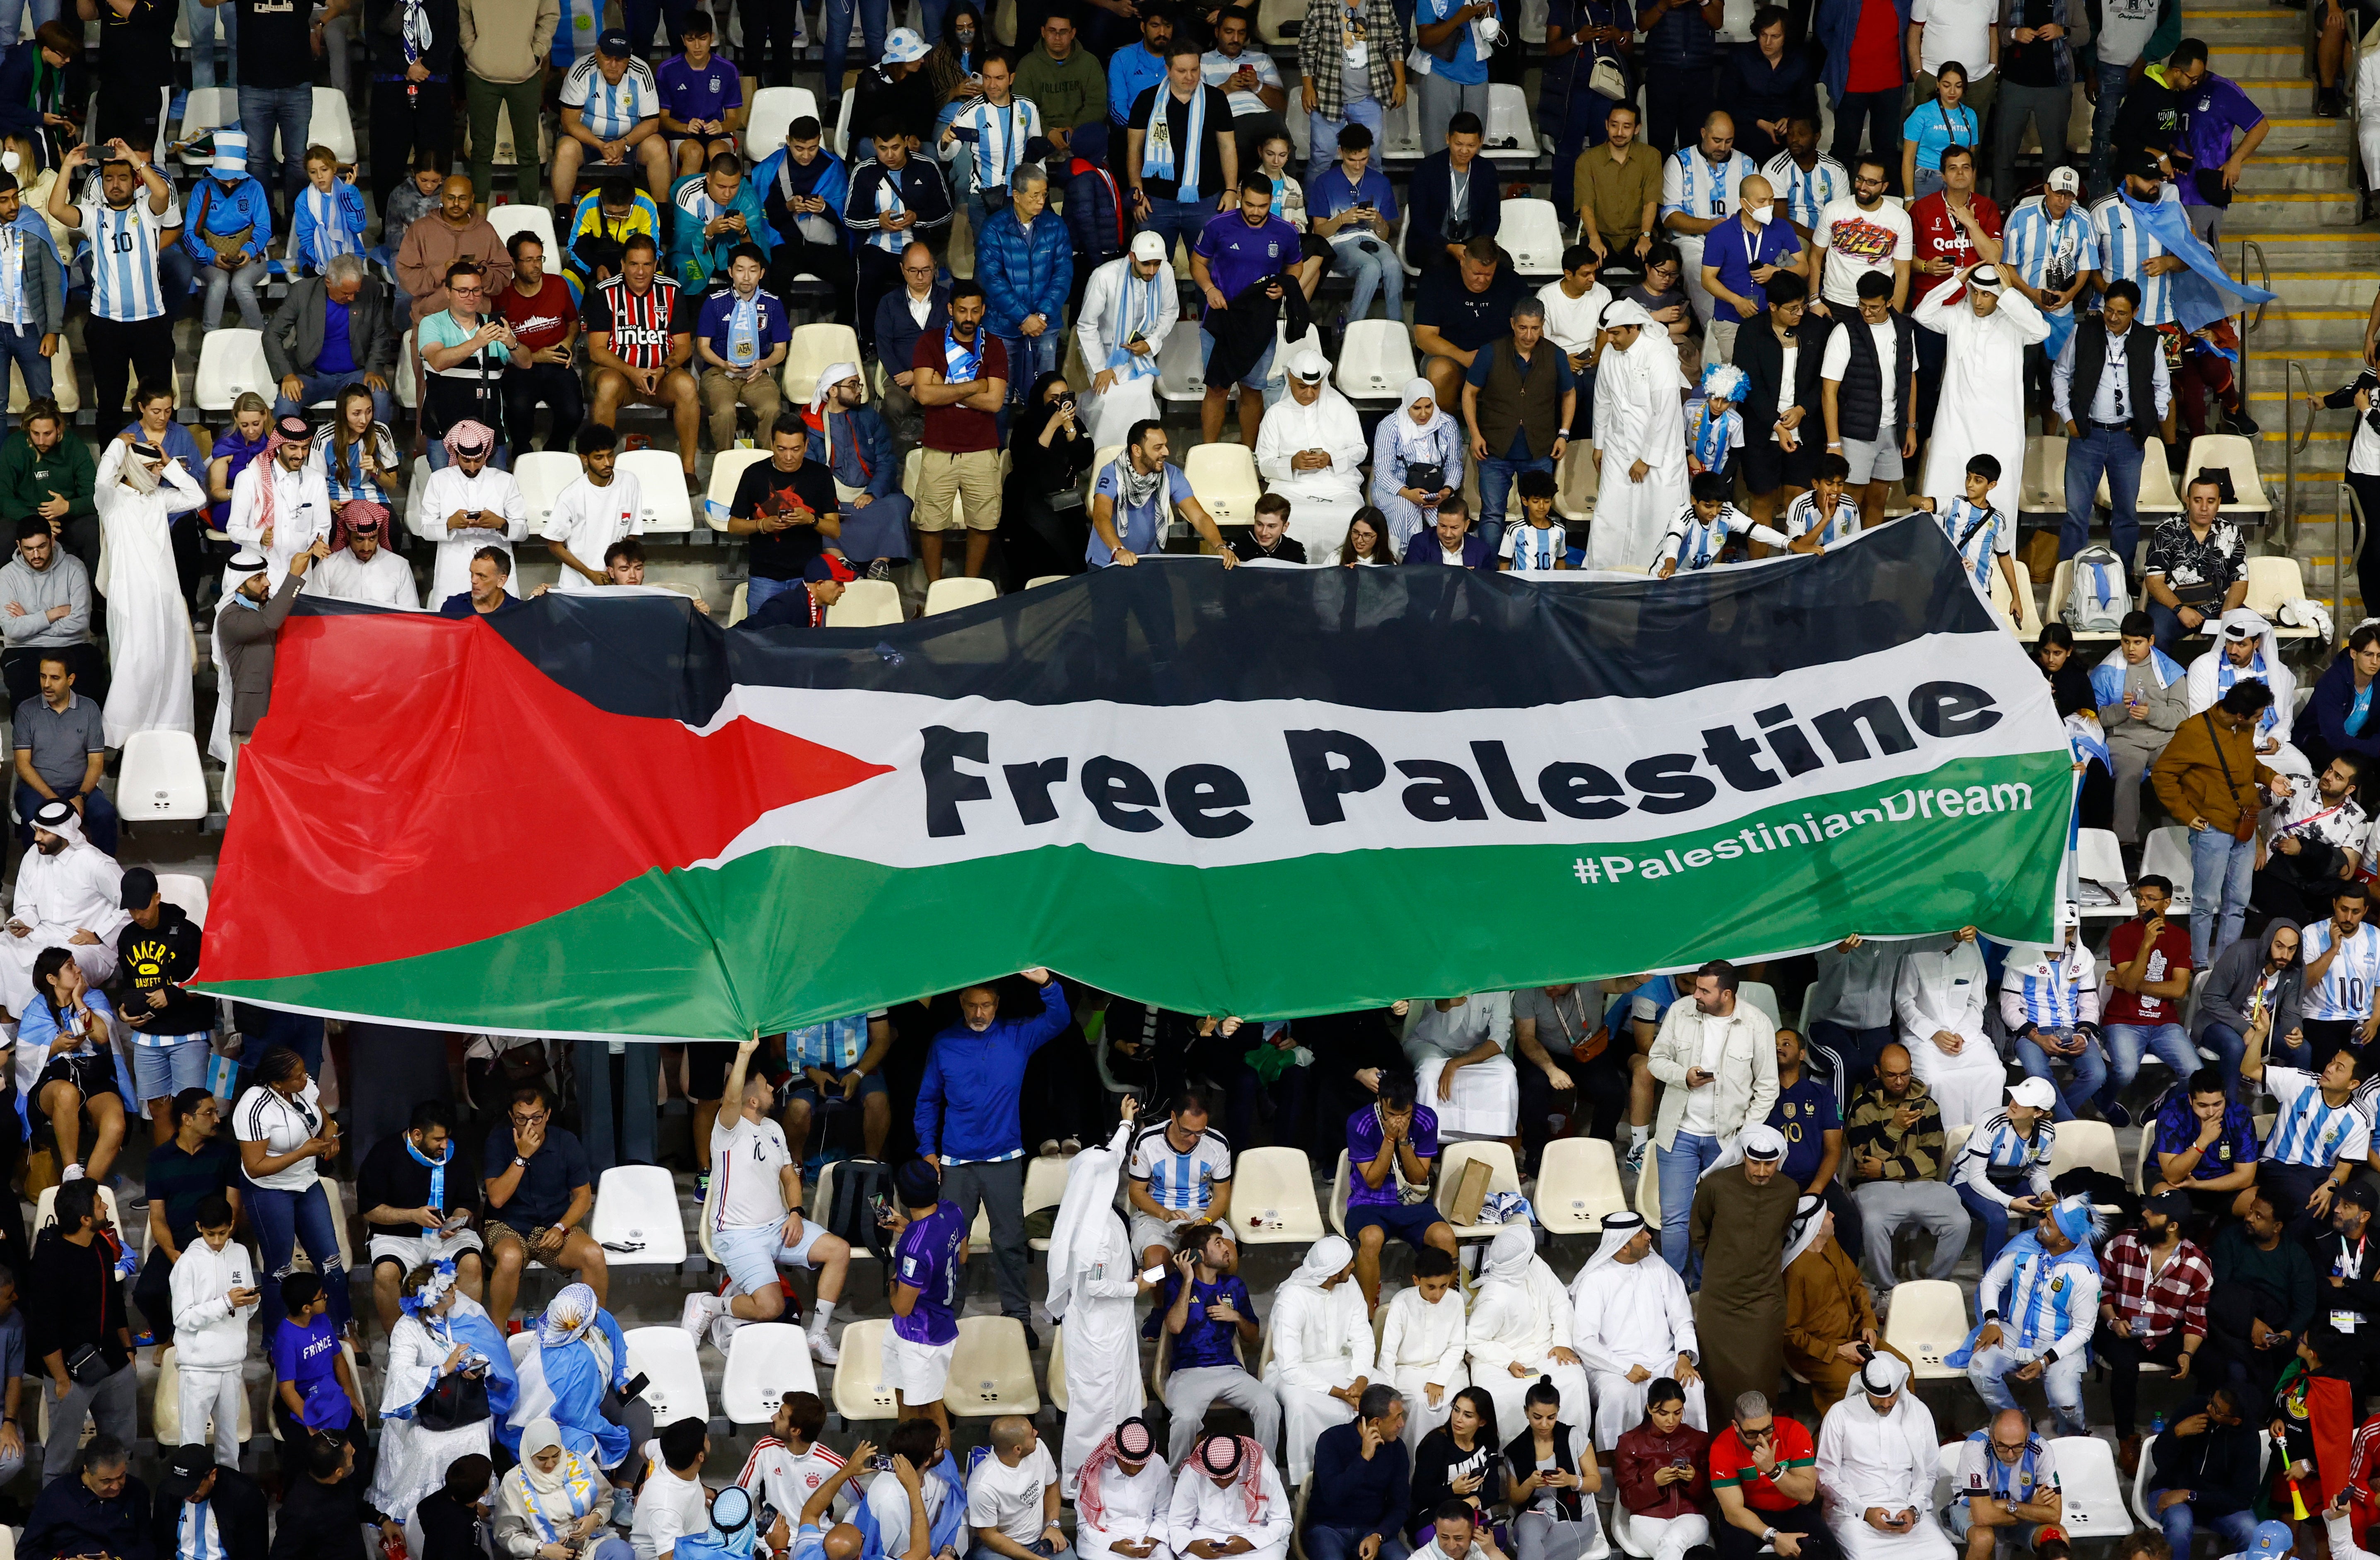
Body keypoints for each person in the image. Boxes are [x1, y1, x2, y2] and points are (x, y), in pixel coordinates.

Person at [913, 971, 1067, 1343]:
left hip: (1004, 1159)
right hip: (957, 1162)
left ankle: (1018, 1318)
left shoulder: (1017, 1034)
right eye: (971, 1005)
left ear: (997, 1004)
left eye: (986, 1005)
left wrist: (1047, 983)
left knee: (1011, 1243)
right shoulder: (945, 1042)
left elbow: (1059, 1019)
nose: (979, 1012)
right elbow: (928, 1101)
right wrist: (927, 1151)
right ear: (961, 1004)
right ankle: (946, 1315)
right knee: (950, 1243)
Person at [682, 1036, 850, 1362]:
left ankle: (817, 1335)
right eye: (766, 1087)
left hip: (779, 1227)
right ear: (752, 1102)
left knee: (839, 1250)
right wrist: (744, 1052)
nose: (773, 1089)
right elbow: (731, 1097)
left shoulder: (774, 1128)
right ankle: (707, 1305)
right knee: (770, 1307)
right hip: (738, 1234)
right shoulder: (728, 1129)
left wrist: (797, 1213)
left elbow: (789, 1177)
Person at [1649, 961, 1779, 1276]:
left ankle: (1707, 1288)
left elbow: (1767, 1087)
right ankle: (1674, 1289)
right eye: (1696, 987)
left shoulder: (1756, 1024)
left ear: (1727, 994)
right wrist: (1684, 1076)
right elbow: (1656, 1061)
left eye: (1704, 991)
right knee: (1674, 1220)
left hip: (1727, 1139)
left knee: (1718, 1220)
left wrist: (1745, 1137)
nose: (1696, 994)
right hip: (1678, 1132)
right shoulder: (1680, 1012)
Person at [2156, 682, 2288, 964]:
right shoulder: (2193, 731)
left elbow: (2248, 765)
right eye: (2258, 716)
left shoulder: (2244, 728)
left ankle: (2228, 965)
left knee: (2238, 903)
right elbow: (2162, 775)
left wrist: (2270, 777)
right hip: (2212, 829)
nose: (2261, 721)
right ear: (2240, 715)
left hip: (2246, 823)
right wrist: (2187, 813)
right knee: (2205, 902)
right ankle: (2200, 964)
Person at [372, 1263, 514, 1525]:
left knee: (478, 1431)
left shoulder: (459, 1314)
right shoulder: (406, 1329)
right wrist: (444, 1369)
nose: (457, 1289)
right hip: (419, 1412)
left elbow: (480, 1349)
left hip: (456, 1403)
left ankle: (475, 1500)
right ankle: (430, 1508)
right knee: (430, 1447)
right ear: (433, 1295)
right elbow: (401, 1375)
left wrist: (473, 1368)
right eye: (450, 1287)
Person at [45, 142, 174, 427]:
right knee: (110, 404)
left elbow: (163, 192)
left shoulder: (148, 211)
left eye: (123, 178)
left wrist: (133, 159)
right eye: (108, 178)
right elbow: (56, 208)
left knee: (158, 404)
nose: (115, 185)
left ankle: (157, 466)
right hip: (106, 325)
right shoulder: (94, 215)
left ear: (134, 182)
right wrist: (67, 165)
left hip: (150, 323)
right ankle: (111, 469)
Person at [1953, 1197, 2104, 1435]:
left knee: (2066, 1401)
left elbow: (2084, 1330)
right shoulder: (2025, 1247)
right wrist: (1992, 1321)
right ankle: (2017, 1424)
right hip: (2014, 1332)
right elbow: (1992, 1281)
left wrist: (2045, 1360)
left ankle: (2073, 1436)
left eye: (2049, 1222)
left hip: (2060, 1342)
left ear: (2064, 1240)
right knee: (1980, 1368)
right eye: (2046, 1216)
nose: (2041, 1222)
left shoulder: (2085, 1275)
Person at [2054, 275, 2170, 568]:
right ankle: (2069, 576)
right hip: (2086, 434)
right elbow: (2060, 375)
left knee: (2126, 515)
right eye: (2109, 310)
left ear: (2135, 312)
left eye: (2121, 313)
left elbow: (2162, 388)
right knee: (2076, 514)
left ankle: (2124, 576)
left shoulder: (2150, 340)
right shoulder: (2083, 332)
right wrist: (2068, 418)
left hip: (2127, 439)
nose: (2113, 318)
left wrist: (2147, 423)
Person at [1564, 1213, 1702, 1454]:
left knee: (1691, 1385)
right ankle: (1615, 1470)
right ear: (1624, 1246)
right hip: (1611, 1366)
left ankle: (1695, 1459)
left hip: (1662, 1360)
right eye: (1641, 1235)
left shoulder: (1658, 1267)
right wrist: (1624, 1368)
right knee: (1618, 1394)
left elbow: (1681, 1315)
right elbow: (1585, 1341)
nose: (1650, 1237)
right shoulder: (1595, 1280)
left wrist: (1684, 1357)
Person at [25, 1181, 136, 1478]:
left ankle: (115, 1510)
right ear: (85, 1220)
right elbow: (43, 1327)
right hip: (70, 1373)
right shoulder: (48, 1262)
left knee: (122, 1448)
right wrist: (61, 1380)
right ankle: (57, 1520)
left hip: (113, 1363)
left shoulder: (100, 1245)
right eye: (100, 1204)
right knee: (60, 1460)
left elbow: (114, 1301)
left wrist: (128, 1350)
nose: (106, 1207)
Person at [1688, 1125, 1800, 1420]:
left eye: (1769, 1164)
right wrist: (1722, 1262)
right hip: (1721, 1299)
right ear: (1744, 1157)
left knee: (1760, 1375)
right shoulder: (1716, 1185)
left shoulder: (1789, 1191)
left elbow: (1782, 1232)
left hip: (1764, 1299)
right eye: (1755, 1163)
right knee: (1717, 1378)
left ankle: (1758, 1440)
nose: (1762, 1171)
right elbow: (1699, 1230)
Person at [1913, 269, 2042, 523]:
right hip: (1955, 427)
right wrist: (1958, 281)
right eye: (1974, 292)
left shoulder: (2016, 324)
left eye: (1986, 294)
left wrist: (2009, 294)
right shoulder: (1956, 318)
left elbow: (2041, 330)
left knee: (1999, 504)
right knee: (1942, 494)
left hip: (2000, 432)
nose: (1978, 301)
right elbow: (1922, 313)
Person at [356, 1101, 486, 1338]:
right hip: (396, 1235)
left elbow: (468, 1202)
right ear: (417, 1135)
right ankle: (401, 1347)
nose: (445, 1145)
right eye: (438, 1140)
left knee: (472, 1264)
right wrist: (413, 1216)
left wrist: (457, 1220)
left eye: (447, 1138)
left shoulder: (455, 1154)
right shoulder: (383, 1154)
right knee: (385, 1273)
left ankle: (464, 1342)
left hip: (446, 1235)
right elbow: (370, 1210)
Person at [478, 1084, 604, 1326]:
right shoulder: (498, 1142)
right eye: (521, 1119)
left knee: (594, 1254)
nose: (529, 1126)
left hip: (552, 1225)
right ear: (511, 1117)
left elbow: (584, 1197)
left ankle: (595, 1332)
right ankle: (497, 1333)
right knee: (510, 1257)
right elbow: (496, 1198)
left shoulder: (566, 1142)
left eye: (536, 1118)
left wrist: (561, 1227)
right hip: (507, 1224)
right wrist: (522, 1156)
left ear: (547, 1115)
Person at [2099, 1188, 2212, 1457]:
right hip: (2120, 1327)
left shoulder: (2198, 1264)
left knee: (2213, 1365)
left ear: (2172, 1226)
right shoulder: (2123, 1243)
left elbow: (2197, 1318)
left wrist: (2187, 1353)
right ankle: (2127, 1440)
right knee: (2124, 1366)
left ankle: (2198, 1432)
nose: (2144, 1214)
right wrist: (2113, 1319)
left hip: (2163, 1332)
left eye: (2154, 1213)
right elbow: (2102, 1290)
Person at [1157, 1220, 1279, 1463]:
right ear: (1199, 1254)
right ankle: (1175, 1479)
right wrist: (1188, 1281)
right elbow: (1175, 1326)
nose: (1227, 1249)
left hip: (1230, 1370)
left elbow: (1253, 1337)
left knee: (1269, 1407)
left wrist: (1236, 1317)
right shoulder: (1176, 1284)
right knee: (1186, 1418)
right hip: (1189, 1372)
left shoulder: (1234, 1285)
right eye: (1219, 1243)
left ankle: (1266, 1474)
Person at [1461, 299, 1575, 558]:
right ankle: (1489, 575)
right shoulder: (1490, 352)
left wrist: (1564, 434)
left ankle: (1533, 572)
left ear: (1543, 326)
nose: (1529, 335)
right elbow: (1469, 393)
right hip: (1494, 448)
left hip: (1539, 450)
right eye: (1523, 328)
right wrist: (1475, 434)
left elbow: (1569, 394)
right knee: (1492, 515)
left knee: (1537, 515)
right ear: (1512, 324)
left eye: (1535, 328)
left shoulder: (1556, 354)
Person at [585, 236, 701, 492]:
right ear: (623, 264)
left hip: (662, 377)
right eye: (634, 264)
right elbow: (596, 350)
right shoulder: (606, 292)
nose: (640, 272)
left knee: (687, 386)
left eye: (647, 264)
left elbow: (683, 346)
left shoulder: (672, 291)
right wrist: (632, 372)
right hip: (621, 376)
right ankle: (601, 467)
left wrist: (663, 370)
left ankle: (689, 471)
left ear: (657, 263)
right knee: (606, 385)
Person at [910, 279, 1007, 580]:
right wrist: (976, 384)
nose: (968, 318)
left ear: (984, 312)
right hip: (939, 448)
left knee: (983, 522)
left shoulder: (994, 345)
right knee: (931, 524)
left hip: (981, 449)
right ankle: (935, 588)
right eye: (962, 310)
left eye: (975, 311)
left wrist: (947, 388)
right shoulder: (930, 343)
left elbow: (994, 402)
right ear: (951, 309)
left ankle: (971, 583)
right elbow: (925, 395)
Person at [1813, 1352, 1950, 1560]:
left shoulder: (1918, 1413)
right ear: (1866, 1388)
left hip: (1908, 1513)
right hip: (1853, 1514)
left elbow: (1929, 1473)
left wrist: (1914, 1510)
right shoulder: (1841, 1414)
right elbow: (1825, 1476)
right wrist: (1864, 1511)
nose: (1886, 1404)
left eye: (1893, 1395)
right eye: (1879, 1396)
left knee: (1945, 1555)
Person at [1, 799, 126, 1023]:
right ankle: (9, 1028)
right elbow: (26, 904)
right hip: (42, 931)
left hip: (83, 943)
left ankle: (53, 1030)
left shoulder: (97, 863)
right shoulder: (33, 855)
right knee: (2, 948)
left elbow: (130, 906)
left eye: (44, 832)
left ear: (64, 833)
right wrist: (24, 921)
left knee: (53, 968)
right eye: (37, 830)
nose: (37, 837)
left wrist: (99, 936)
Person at [1263, 1236, 1374, 1485]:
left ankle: (1374, 1474)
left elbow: (1363, 1337)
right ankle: (1310, 1481)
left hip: (1344, 1364)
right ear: (1335, 1273)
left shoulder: (1350, 1285)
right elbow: (1290, 1367)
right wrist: (1339, 1393)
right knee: (1302, 1405)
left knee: (1384, 1392)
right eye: (1349, 1264)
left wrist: (1362, 1378)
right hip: (1297, 1374)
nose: (1354, 1267)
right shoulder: (1292, 1298)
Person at [1999, 168, 2098, 431]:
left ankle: (2049, 440)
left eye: (2068, 195)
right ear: (2046, 189)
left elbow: (2086, 267)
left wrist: (2070, 295)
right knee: (2019, 382)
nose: (2062, 200)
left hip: (2061, 316)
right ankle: (2017, 439)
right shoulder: (2021, 216)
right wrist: (2032, 294)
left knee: (2055, 385)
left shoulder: (2083, 220)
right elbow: (2007, 266)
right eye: (2057, 192)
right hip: (2023, 313)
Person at [212, 545, 324, 765]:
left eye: (265, 576)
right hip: (252, 719)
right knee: (248, 790)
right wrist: (293, 577)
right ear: (240, 587)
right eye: (258, 579)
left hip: (281, 716)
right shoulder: (230, 617)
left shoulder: (264, 609)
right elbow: (269, 623)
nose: (268, 584)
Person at [166, 1195, 256, 1467]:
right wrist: (226, 1302)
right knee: (192, 1442)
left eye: (223, 1233)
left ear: (232, 1226)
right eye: (210, 1234)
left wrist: (250, 1300)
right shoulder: (187, 1263)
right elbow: (182, 1318)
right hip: (198, 1367)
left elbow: (248, 1309)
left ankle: (229, 1501)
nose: (217, 1240)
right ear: (198, 1228)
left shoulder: (240, 1253)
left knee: (230, 1444)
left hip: (231, 1364)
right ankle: (192, 1501)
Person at [724, 414, 841, 613]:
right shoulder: (754, 474)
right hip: (764, 576)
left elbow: (834, 530)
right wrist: (763, 525)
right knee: (761, 638)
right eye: (782, 449)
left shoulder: (820, 475)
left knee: (805, 641)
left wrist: (810, 520)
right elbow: (733, 526)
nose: (789, 457)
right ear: (771, 444)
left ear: (806, 445)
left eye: (796, 449)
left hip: (808, 578)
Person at [976, 166, 1071, 411]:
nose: (1042, 202)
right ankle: (998, 447)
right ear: (1016, 196)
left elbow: (1063, 275)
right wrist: (1023, 317)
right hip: (1003, 327)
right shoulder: (994, 229)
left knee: (1046, 395)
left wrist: (1039, 317)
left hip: (1044, 327)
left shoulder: (1055, 226)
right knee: (1000, 396)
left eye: (1045, 195)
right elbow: (992, 280)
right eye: (1035, 196)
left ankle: (1042, 445)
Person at [2093, 613, 2191, 847]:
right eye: (2126, 642)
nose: (2131, 649)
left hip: (2163, 740)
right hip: (2125, 741)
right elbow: (2094, 717)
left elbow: (2181, 717)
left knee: (2177, 775)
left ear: (2152, 641)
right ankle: (2124, 844)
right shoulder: (2105, 671)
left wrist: (2152, 713)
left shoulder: (2170, 671)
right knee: (2129, 775)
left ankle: (2178, 841)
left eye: (2138, 643)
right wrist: (2121, 711)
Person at [1087, 421, 1235, 568]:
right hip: (1108, 560)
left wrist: (1220, 546)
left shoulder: (1171, 474)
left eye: (1165, 445)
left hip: (1147, 558)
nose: (1166, 452)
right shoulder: (1111, 473)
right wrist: (1119, 550)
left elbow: (1200, 517)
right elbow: (1101, 516)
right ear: (1137, 450)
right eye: (1158, 448)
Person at [1659, 114, 1759, 331]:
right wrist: (1710, 226)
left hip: (1739, 241)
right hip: (1692, 242)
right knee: (1698, 268)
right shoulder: (1680, 162)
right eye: (1717, 140)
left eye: (1729, 141)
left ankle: (1749, 334)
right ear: (1703, 133)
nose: (1723, 147)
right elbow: (1670, 217)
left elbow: (1759, 212)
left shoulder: (1747, 164)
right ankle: (1716, 335)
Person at [0, 411, 98, 628]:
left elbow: (96, 496)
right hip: (27, 517)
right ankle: (6, 613)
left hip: (66, 516)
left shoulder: (74, 447)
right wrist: (38, 523)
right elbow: (4, 498)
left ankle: (97, 606)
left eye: (48, 434)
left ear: (59, 430)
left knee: (94, 530)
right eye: (35, 434)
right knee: (4, 535)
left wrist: (69, 507)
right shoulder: (14, 447)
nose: (41, 441)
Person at [414, 421, 530, 604]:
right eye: (466, 460)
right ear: (455, 454)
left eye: (478, 460)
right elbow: (425, 530)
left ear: (486, 454)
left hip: (495, 571)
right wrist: (450, 524)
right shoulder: (439, 480)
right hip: (453, 569)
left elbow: (523, 532)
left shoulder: (505, 481)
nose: (473, 467)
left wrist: (501, 524)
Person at [690, 244, 790, 454]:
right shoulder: (715, 303)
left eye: (753, 270)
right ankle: (725, 460)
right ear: (730, 272)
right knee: (725, 412)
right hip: (719, 372)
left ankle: (764, 460)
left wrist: (763, 364)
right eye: (740, 269)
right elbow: (702, 347)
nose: (746, 277)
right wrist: (723, 364)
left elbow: (780, 350)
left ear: (762, 273)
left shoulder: (773, 304)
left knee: (772, 409)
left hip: (756, 373)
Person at [1709, 1392, 1833, 1560]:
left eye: (1768, 1429)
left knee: (1828, 1550)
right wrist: (1775, 1537)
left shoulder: (1794, 1431)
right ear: (1736, 1426)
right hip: (1749, 1511)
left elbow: (1806, 1496)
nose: (1762, 1439)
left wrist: (1773, 1471)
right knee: (1737, 1552)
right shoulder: (1722, 1447)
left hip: (1792, 1508)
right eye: (1752, 1434)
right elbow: (1733, 1511)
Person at [10, 654, 111, 856]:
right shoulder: (26, 711)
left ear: (71, 680)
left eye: (55, 678)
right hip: (37, 790)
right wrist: (56, 801)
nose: (46, 684)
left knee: (105, 814)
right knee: (34, 818)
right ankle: (39, 877)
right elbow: (23, 765)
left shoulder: (89, 709)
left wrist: (81, 797)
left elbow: (96, 763)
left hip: (79, 788)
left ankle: (102, 871)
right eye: (43, 676)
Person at [492, 237, 584, 455]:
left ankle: (555, 452)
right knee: (519, 410)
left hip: (557, 363)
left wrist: (568, 343)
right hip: (519, 367)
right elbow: (497, 342)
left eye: (540, 259)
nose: (536, 266)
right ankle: (522, 455)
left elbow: (573, 323)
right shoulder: (501, 296)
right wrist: (535, 356)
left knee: (574, 413)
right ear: (513, 263)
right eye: (529, 260)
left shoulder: (558, 285)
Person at [1299, 1386, 1412, 1560]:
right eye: (1397, 1418)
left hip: (1373, 1530)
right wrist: (1364, 1458)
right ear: (1376, 1423)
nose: (1402, 1424)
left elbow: (1401, 1505)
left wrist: (1379, 1535)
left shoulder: (1397, 1449)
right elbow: (1333, 1495)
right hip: (1329, 1529)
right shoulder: (1331, 1441)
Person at [224, 415, 332, 594]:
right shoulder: (250, 478)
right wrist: (259, 537)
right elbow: (234, 529)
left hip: (301, 579)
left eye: (305, 448)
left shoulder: (316, 480)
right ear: (278, 446)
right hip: (261, 578)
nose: (300, 455)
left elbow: (322, 526)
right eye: (293, 448)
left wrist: (317, 543)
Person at [2145, 476, 2250, 658]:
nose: (2204, 508)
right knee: (2156, 633)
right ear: (2187, 500)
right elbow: (2154, 582)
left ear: (2219, 503)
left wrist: (2228, 612)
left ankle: (2236, 682)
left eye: (2210, 501)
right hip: (2172, 607)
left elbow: (2240, 581)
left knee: (2252, 628)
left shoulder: (2232, 532)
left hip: (2219, 606)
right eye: (2197, 500)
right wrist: (2180, 610)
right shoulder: (2166, 531)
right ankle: (2167, 682)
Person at [499, 1419, 634, 1560]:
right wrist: (542, 1549)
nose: (550, 1464)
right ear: (528, 1453)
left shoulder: (581, 1465)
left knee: (622, 1554)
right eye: (542, 1458)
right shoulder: (514, 1483)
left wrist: (595, 1518)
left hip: (588, 1544)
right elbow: (508, 1534)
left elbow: (605, 1501)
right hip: (543, 1554)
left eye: (556, 1455)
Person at [2144, 1391, 2259, 1555]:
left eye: (2216, 1409)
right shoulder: (2192, 1408)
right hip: (2170, 1488)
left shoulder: (2248, 1439)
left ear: (2235, 1421)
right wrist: (2177, 1433)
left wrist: (2190, 1495)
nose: (2208, 1408)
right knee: (2180, 1524)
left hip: (2215, 1503)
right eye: (2212, 1400)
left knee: (2251, 1531)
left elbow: (2243, 1498)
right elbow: (2160, 1461)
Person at [396, 176, 515, 326]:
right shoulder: (421, 229)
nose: (456, 204)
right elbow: (406, 276)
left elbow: (504, 275)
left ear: (472, 199)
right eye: (451, 198)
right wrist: (442, 271)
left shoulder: (485, 230)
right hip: (430, 321)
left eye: (463, 198)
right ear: (442, 197)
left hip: (477, 322)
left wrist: (483, 273)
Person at [1612, 1379, 1709, 1560]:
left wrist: (1693, 1479)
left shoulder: (1698, 1440)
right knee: (1671, 1545)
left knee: (1672, 1542)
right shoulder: (1630, 1442)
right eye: (1663, 1413)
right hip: (1646, 1517)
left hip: (1691, 1516)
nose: (1671, 1420)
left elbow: (1711, 1495)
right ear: (1649, 1409)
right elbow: (1627, 1498)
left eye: (1678, 1413)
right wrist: (1655, 1483)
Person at [541, 424, 643, 594]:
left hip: (616, 585)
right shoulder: (571, 496)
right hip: (577, 586)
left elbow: (631, 536)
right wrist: (590, 574)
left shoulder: (630, 482)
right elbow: (555, 545)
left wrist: (618, 573)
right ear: (585, 459)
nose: (607, 463)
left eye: (611, 455)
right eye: (599, 457)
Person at [1945, 1413, 2061, 1560]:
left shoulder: (2041, 1449)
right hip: (1968, 1508)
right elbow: (1982, 1517)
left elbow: (2055, 1515)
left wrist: (2007, 1505)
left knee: (2057, 1538)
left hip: (2015, 1509)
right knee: (1983, 1538)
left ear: (2028, 1437)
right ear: (1992, 1437)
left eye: (2019, 1447)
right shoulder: (1976, 1447)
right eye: (2003, 1446)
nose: (2011, 1455)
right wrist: (2032, 1511)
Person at [1168, 1432, 1292, 1560]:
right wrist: (1192, 1546)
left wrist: (1250, 1544)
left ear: (1240, 1464)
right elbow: (1178, 1523)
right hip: (1205, 1538)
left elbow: (1282, 1520)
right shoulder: (1193, 1472)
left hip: (1258, 1538)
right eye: (1215, 1477)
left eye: (1228, 1476)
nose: (1222, 1482)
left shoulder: (1262, 1469)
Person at [1405, 116, 1501, 275]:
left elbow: (1493, 217)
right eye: (1459, 144)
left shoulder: (1487, 170)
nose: (1464, 151)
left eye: (1471, 145)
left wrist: (1478, 247)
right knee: (1441, 265)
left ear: (1480, 141)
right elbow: (1419, 219)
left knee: (1503, 264)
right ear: (1448, 139)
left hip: (1472, 243)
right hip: (1432, 242)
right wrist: (1448, 246)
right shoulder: (1427, 169)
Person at [25, 1436, 147, 1560]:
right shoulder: (57, 1494)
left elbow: (148, 1546)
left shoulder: (137, 1491)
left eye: (121, 1477)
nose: (116, 1487)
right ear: (87, 1471)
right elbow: (26, 1551)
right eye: (107, 1481)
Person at [668, 156, 773, 292]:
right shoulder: (689, 194)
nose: (728, 194)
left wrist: (743, 232)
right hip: (696, 252)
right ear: (709, 178)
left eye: (734, 187)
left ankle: (759, 312)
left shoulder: (747, 195)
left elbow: (754, 251)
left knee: (758, 270)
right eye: (721, 187)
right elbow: (682, 243)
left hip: (731, 250)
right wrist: (709, 231)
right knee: (682, 271)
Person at [1576, 104, 1663, 268]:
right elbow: (1586, 204)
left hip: (1638, 234)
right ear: (1607, 125)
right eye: (1614, 125)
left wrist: (1646, 236)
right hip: (1600, 234)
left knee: (1658, 261)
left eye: (1627, 126)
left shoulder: (1651, 157)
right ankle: (1602, 296)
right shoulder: (1588, 160)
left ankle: (1634, 296)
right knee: (1588, 261)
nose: (1620, 132)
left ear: (1637, 129)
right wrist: (1594, 238)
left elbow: (1651, 202)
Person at [153, 1440, 270, 1560]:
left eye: (193, 1488)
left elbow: (254, 1553)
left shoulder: (246, 1497)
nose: (188, 1497)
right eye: (181, 1489)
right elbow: (161, 1545)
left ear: (213, 1475)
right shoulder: (167, 1492)